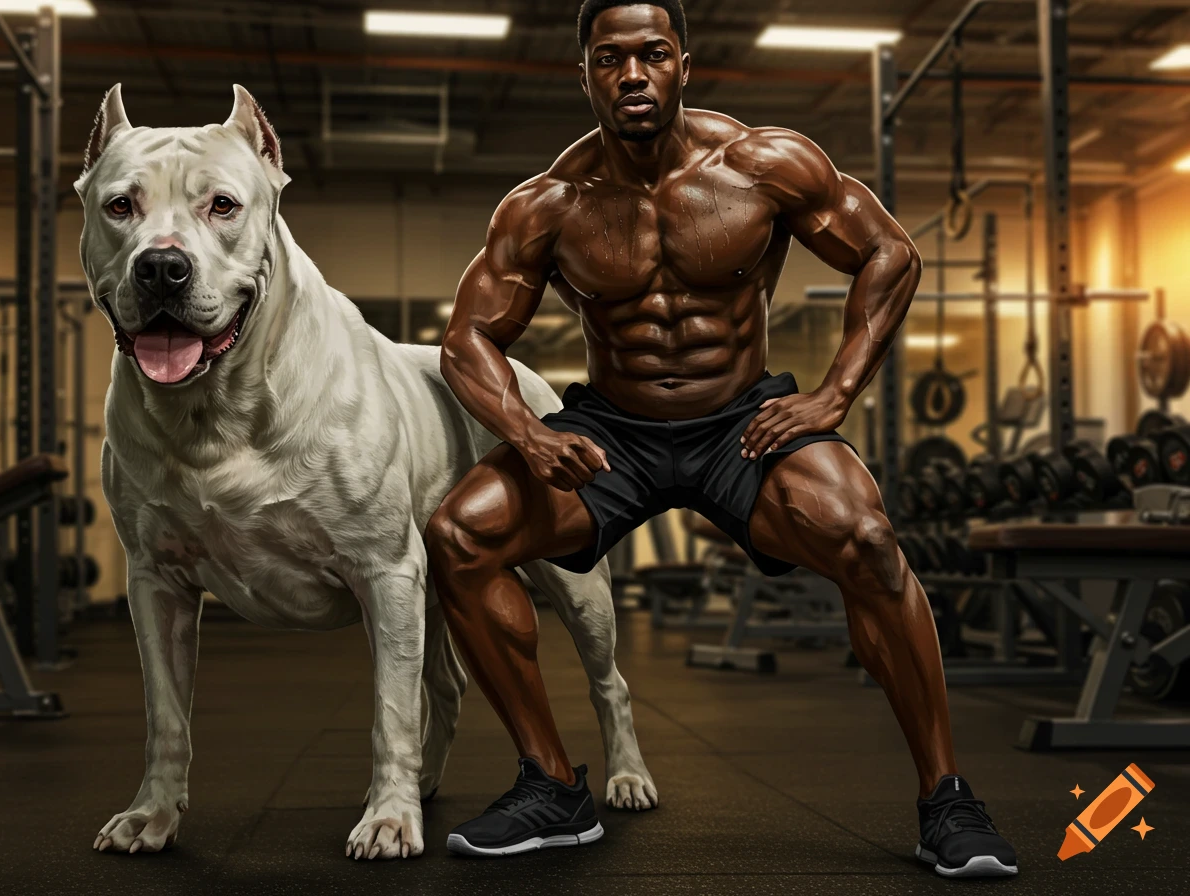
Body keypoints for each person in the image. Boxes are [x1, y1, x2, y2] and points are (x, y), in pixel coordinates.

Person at [425, 0, 1018, 878]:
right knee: (458, 535)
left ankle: (947, 800)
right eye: (610, 59)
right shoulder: (547, 205)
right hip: (615, 430)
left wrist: (834, 394)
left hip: (741, 423)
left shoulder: (762, 164)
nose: (633, 75)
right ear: (584, 74)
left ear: (683, 65)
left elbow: (889, 253)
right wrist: (524, 431)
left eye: (652, 55)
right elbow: (467, 338)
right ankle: (552, 787)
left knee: (867, 537)